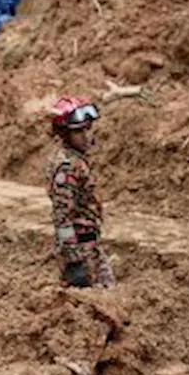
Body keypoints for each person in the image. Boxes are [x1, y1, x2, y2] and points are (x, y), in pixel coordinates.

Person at [48, 97, 114, 289]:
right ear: (65, 134)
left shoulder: (77, 161)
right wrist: (74, 262)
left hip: (90, 246)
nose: (86, 135)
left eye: (88, 128)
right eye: (78, 131)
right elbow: (62, 216)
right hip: (80, 251)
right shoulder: (67, 167)